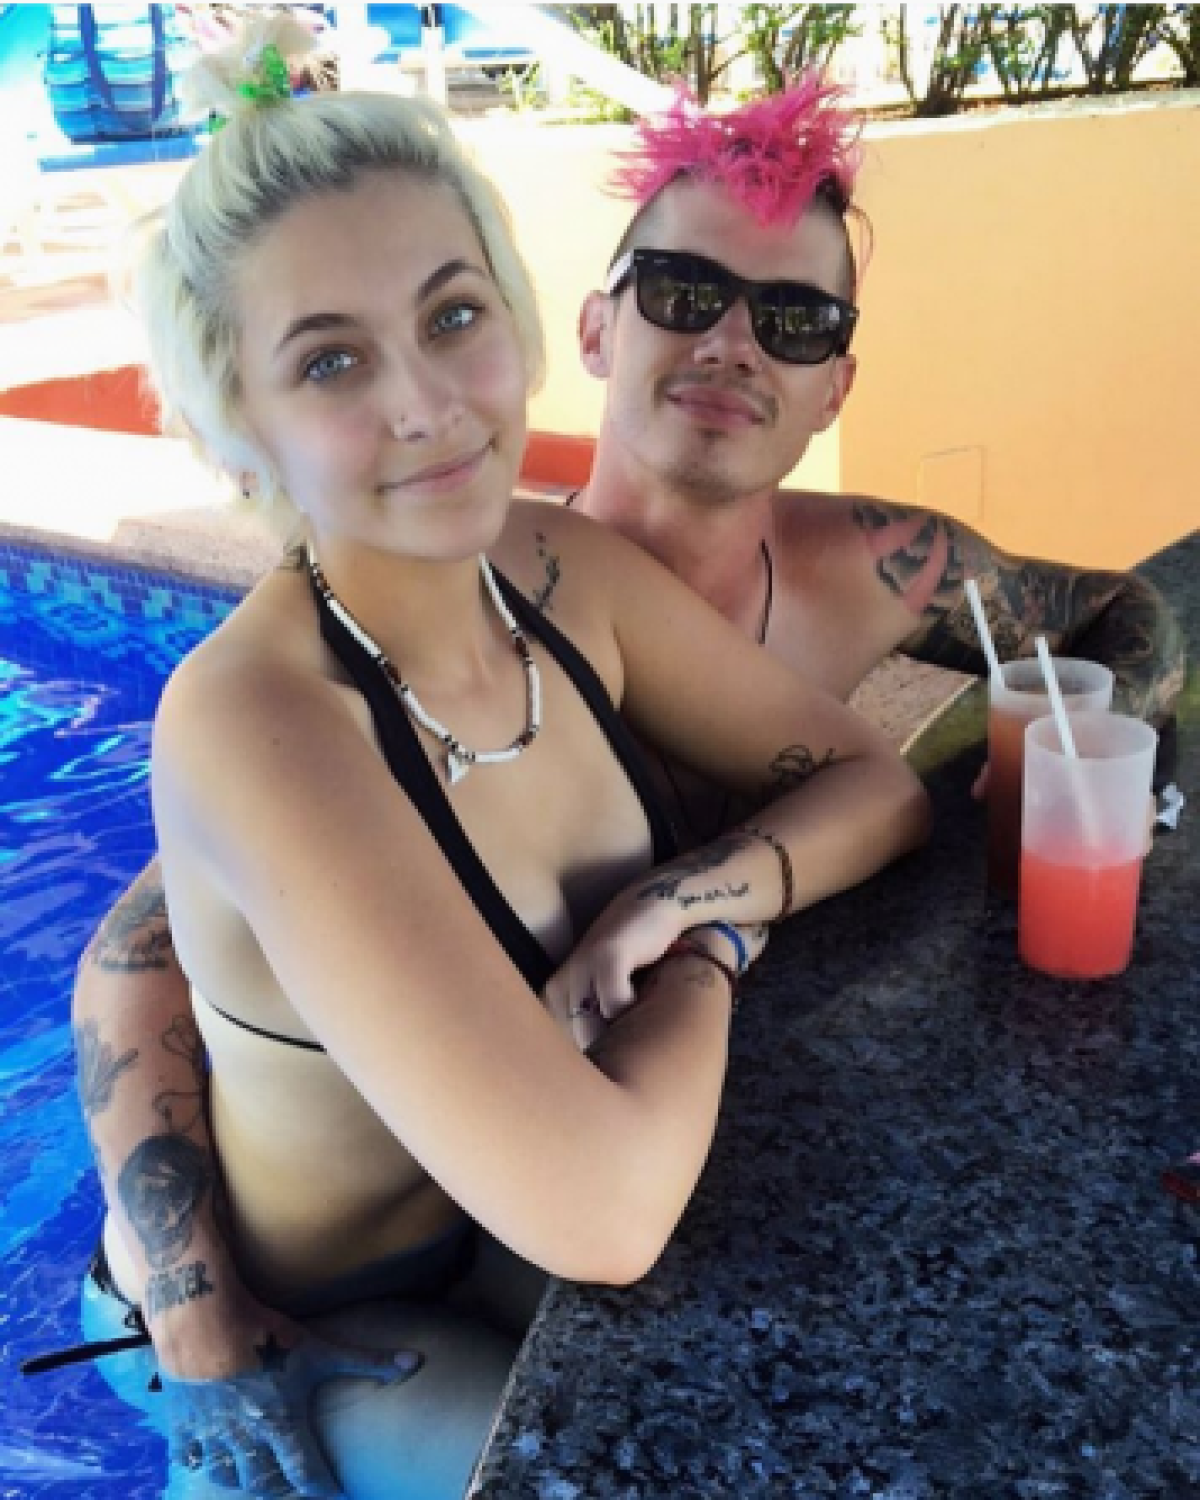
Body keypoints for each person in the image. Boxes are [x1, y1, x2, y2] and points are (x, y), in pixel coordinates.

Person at [56, 22, 929, 1500]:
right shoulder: (257, 722)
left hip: (502, 1235)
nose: (426, 403)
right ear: (241, 428)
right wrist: (713, 945)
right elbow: (603, 1211)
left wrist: (683, 893)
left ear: (523, 326)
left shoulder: (556, 571)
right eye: (331, 360)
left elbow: (874, 786)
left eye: (452, 315)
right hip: (304, 1335)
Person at [565, 77, 1185, 840]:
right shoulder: (490, 598)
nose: (732, 346)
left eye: (797, 321)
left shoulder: (871, 565)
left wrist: (1086, 739)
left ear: (834, 391)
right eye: (684, 292)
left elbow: (1125, 611)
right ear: (596, 333)